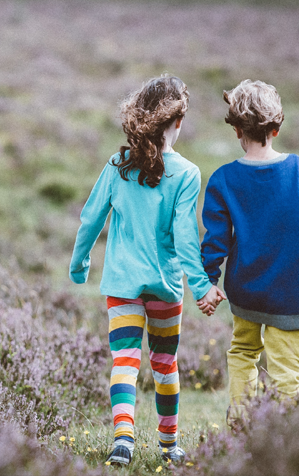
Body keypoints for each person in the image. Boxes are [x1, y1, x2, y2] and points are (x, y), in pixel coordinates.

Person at [69, 74, 225, 467]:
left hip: (121, 284)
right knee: (164, 363)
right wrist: (202, 286)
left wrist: (80, 263)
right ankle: (170, 445)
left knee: (124, 359)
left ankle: (123, 439)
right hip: (166, 285)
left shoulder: (118, 164)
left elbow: (90, 219)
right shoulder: (187, 173)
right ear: (176, 123)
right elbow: (187, 237)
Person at [200, 79, 299, 425]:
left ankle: (240, 423)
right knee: (287, 372)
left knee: (242, 352)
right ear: (276, 127)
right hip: (290, 294)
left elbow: (215, 241)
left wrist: (209, 282)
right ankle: (282, 435)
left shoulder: (223, 179)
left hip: (243, 291)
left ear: (236, 129)